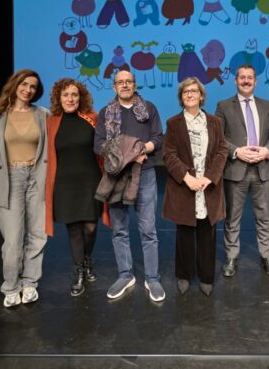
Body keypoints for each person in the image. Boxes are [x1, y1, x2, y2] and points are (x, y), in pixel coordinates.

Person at [94, 70, 165, 302]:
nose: (124, 85)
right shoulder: (106, 112)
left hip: (144, 174)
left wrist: (141, 150)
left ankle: (152, 278)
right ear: (114, 87)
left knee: (148, 229)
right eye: (120, 82)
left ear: (135, 85)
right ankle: (125, 275)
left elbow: (158, 139)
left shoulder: (149, 109)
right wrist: (128, 155)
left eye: (128, 82)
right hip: (117, 176)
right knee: (119, 229)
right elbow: (99, 145)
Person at [161, 78, 229, 296]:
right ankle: (184, 275)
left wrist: (209, 177)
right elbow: (168, 154)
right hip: (185, 187)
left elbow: (222, 151)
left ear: (201, 96)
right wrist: (186, 177)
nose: (189, 94)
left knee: (207, 233)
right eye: (185, 92)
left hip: (208, 187)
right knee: (185, 234)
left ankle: (206, 277)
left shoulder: (215, 122)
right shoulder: (173, 123)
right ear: (181, 98)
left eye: (194, 91)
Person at [215, 64, 269, 278]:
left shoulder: (267, 105)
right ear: (235, 81)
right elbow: (218, 137)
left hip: (262, 170)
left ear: (256, 81)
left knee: (264, 217)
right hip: (235, 170)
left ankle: (266, 257)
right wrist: (236, 152)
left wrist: (266, 150)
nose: (246, 81)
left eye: (250, 77)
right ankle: (232, 258)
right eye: (242, 77)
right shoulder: (224, 106)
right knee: (232, 218)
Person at [0, 69, 48, 308]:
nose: (28, 90)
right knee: (13, 238)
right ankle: (11, 286)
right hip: (9, 178)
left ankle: (30, 283)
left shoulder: (43, 114)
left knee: (37, 234)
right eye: (24, 84)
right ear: (14, 85)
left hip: (36, 176)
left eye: (33, 86)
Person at [44, 78, 103, 297]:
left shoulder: (92, 119)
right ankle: (79, 271)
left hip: (90, 181)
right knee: (74, 229)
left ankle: (87, 259)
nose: (70, 99)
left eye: (75, 95)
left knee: (90, 227)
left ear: (81, 97)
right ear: (59, 98)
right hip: (64, 183)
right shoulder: (51, 122)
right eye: (66, 95)